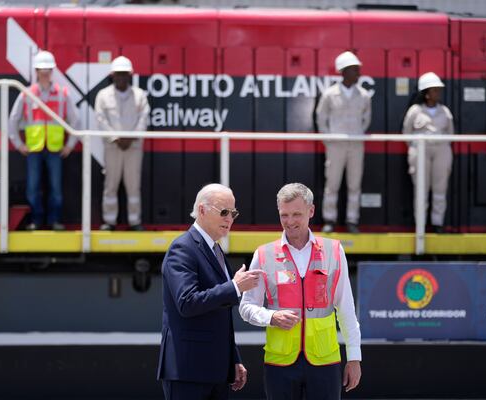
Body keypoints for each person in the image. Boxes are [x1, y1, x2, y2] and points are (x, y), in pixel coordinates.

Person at [239, 183, 362, 400]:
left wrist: (354, 357)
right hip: (280, 363)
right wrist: (271, 316)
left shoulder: (334, 251)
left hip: (325, 361)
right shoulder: (263, 254)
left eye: (297, 214)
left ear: (311, 211)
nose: (290, 221)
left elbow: (346, 308)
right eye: (284, 215)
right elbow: (246, 307)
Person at [157, 183, 263, 400]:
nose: (230, 219)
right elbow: (187, 303)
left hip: (216, 372)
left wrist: (233, 358)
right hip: (188, 372)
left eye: (233, 213)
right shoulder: (183, 248)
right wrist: (234, 286)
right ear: (202, 210)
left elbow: (220, 314)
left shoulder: (215, 250)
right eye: (223, 212)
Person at [8, 50, 80, 231]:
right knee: (32, 188)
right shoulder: (27, 93)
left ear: (52, 71)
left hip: (55, 149)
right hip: (34, 149)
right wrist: (19, 144)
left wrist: (70, 145)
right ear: (36, 71)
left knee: (56, 189)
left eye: (48, 69)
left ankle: (54, 221)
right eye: (41, 69)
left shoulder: (63, 93)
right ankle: (37, 220)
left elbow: (76, 120)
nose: (45, 72)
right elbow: (12, 121)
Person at [316, 51, 372, 234]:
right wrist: (329, 140)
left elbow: (366, 119)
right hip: (336, 145)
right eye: (355, 70)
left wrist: (357, 134)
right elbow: (321, 119)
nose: (358, 73)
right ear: (344, 71)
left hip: (356, 145)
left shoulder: (364, 95)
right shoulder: (330, 94)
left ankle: (352, 220)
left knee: (354, 184)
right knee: (332, 184)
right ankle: (329, 220)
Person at [95, 56, 150, 231]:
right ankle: (109, 221)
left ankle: (134, 221)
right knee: (110, 184)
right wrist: (116, 138)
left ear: (130, 75)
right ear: (112, 75)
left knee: (133, 185)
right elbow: (100, 119)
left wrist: (131, 137)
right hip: (113, 146)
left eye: (125, 74)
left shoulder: (139, 95)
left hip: (133, 147)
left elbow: (144, 118)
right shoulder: (103, 96)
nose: (121, 77)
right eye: (118, 74)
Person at [402, 72, 455, 233]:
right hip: (420, 151)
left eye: (439, 90)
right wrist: (414, 148)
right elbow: (406, 132)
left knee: (440, 188)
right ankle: (421, 224)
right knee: (421, 189)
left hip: (441, 151)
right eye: (434, 90)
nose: (437, 93)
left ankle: (437, 223)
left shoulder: (445, 112)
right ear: (425, 93)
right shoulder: (415, 111)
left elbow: (450, 134)